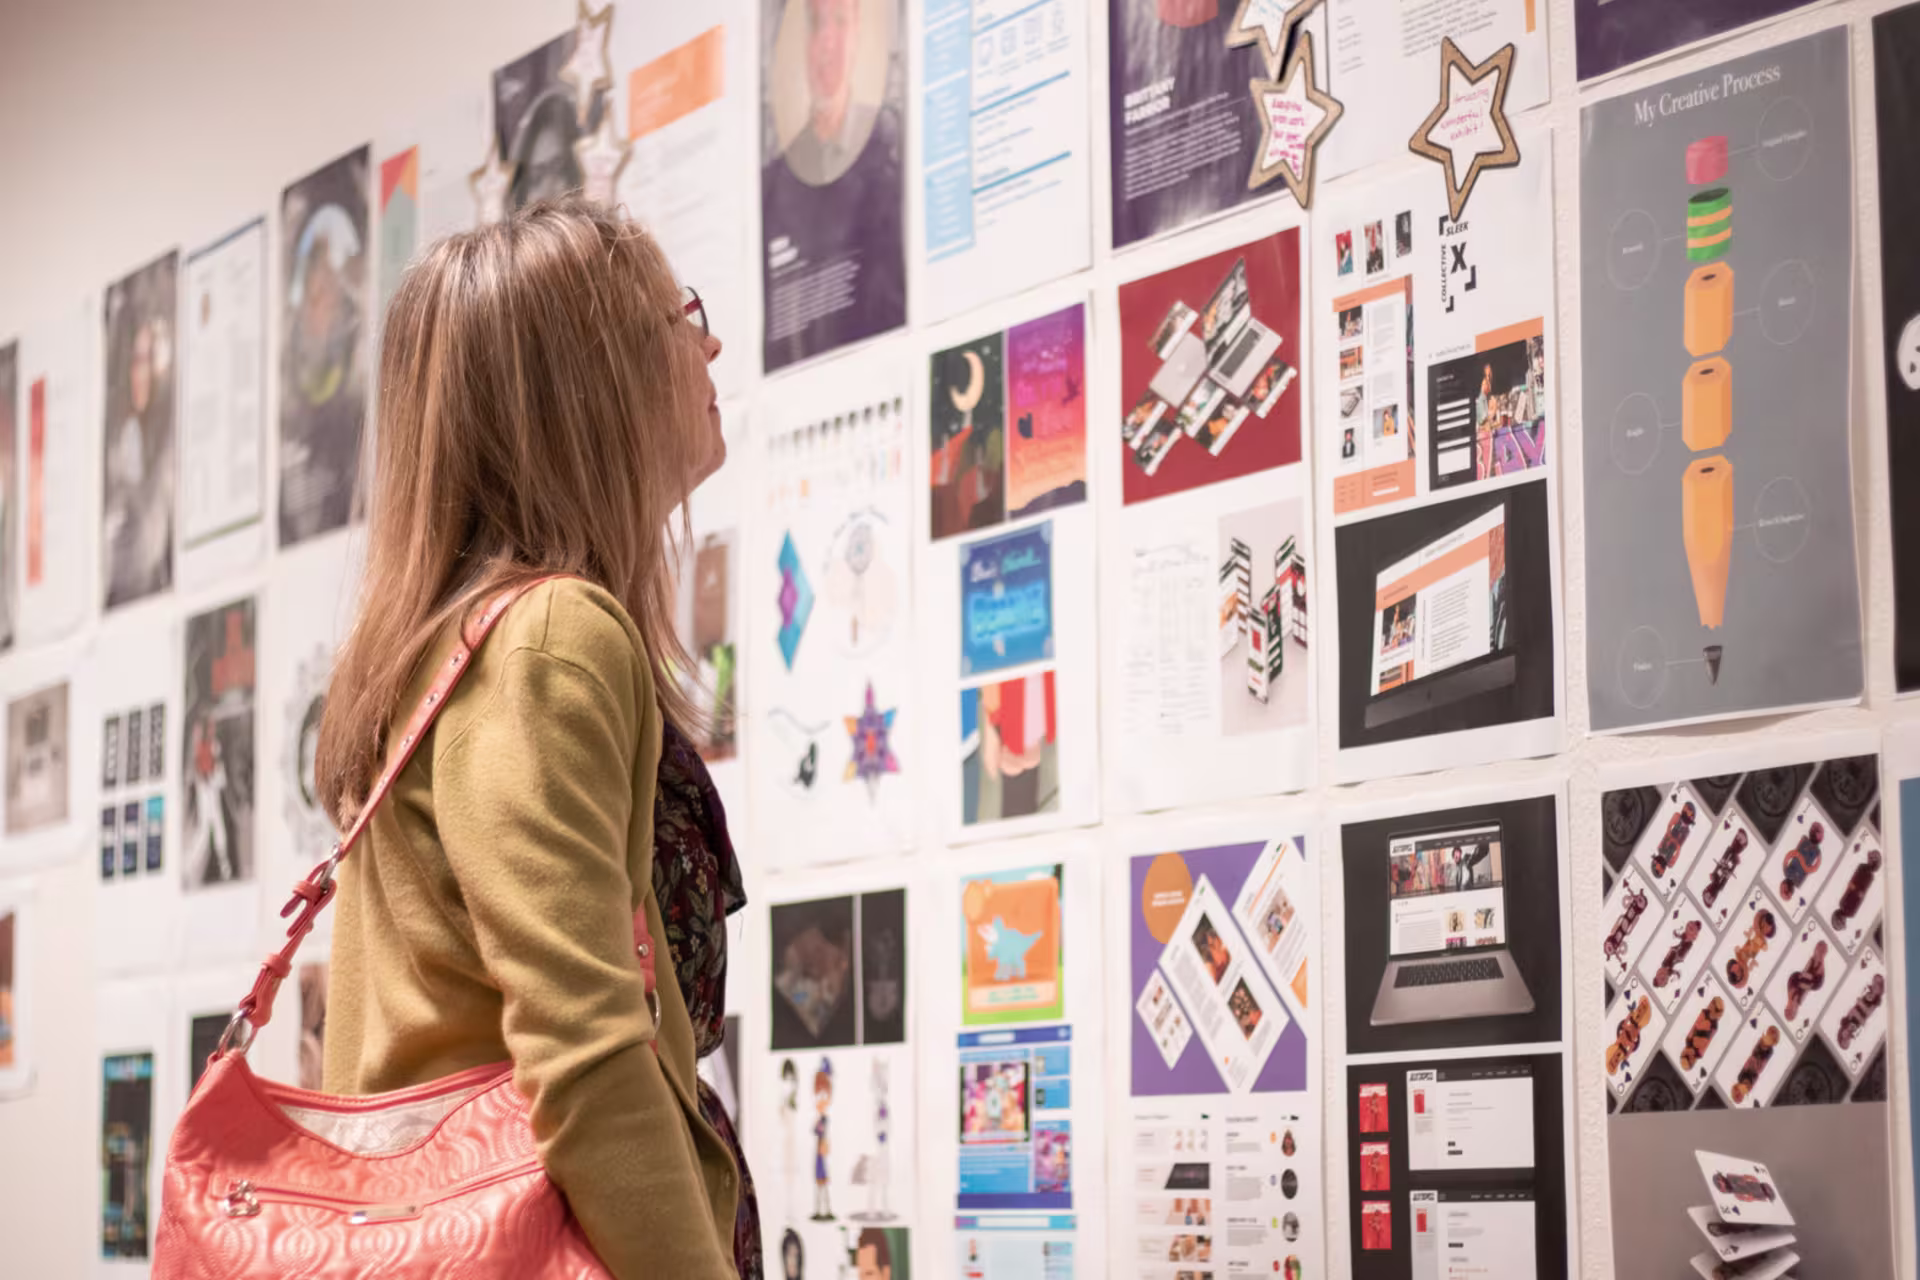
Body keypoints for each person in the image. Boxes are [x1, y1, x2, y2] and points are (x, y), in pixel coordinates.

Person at [316, 199, 753, 1278]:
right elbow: (590, 1054)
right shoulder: (554, 633)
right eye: (678, 316)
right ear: (591, 380)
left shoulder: (446, 647)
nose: (712, 343)